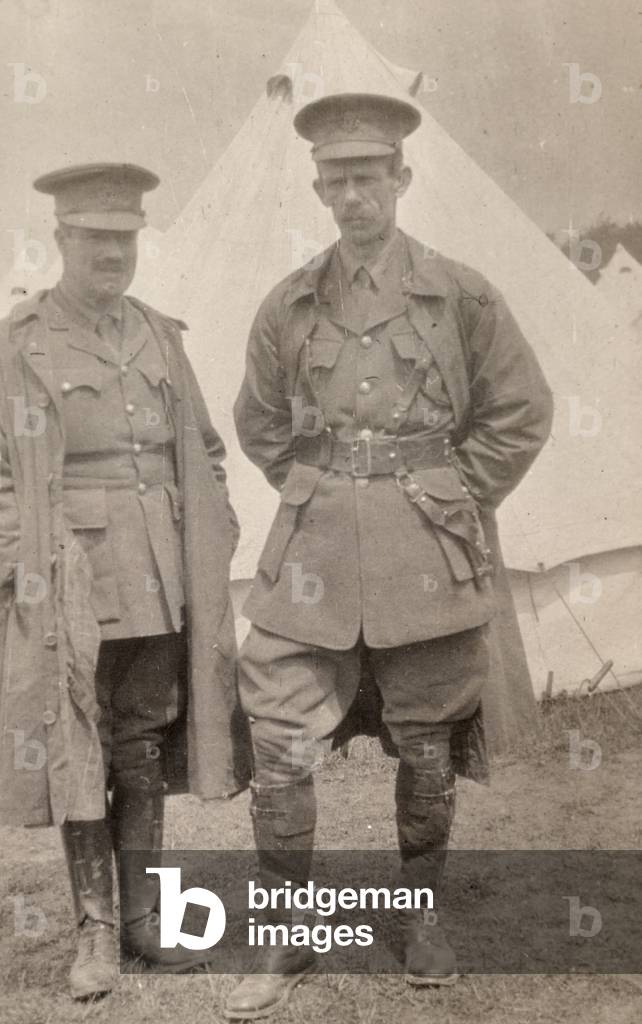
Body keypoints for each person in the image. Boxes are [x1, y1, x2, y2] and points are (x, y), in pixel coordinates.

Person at [227, 93, 554, 1018]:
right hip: (314, 553)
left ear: (402, 179)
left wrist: (452, 494)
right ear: (318, 190)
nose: (353, 196)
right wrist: (323, 484)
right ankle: (288, 934)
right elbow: (259, 422)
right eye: (336, 181)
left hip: (425, 550)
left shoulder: (461, 294)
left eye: (368, 177)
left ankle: (420, 917)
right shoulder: (289, 301)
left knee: (426, 734)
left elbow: (522, 409)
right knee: (279, 732)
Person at [0, 163, 249, 999]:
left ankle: (144, 922)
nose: (112, 254)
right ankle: (95, 933)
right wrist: (22, 561)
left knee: (143, 741)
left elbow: (204, 449)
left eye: (124, 238)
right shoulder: (20, 344)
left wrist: (213, 530)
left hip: (159, 574)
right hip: (69, 577)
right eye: (95, 238)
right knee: (82, 745)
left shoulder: (159, 335)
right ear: (61, 238)